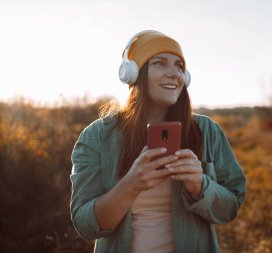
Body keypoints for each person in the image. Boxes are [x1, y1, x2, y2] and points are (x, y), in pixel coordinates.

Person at [70, 30, 246, 253]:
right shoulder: (96, 136)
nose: (175, 74)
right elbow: (85, 225)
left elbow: (231, 207)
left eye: (179, 66)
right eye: (160, 63)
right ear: (134, 73)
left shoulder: (207, 131)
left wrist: (200, 186)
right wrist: (130, 185)